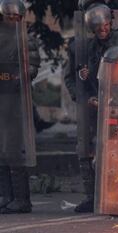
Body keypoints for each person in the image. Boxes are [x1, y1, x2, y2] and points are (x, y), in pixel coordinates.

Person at [71, 3, 118, 213]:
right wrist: (86, 80)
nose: (102, 31)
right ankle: (101, 197)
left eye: (105, 26)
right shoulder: (92, 47)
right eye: (98, 29)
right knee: (98, 152)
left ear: (110, 23)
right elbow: (93, 76)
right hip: (103, 106)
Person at [0, 0, 38, 214]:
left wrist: (19, 75)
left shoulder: (26, 38)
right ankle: (5, 195)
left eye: (16, 17)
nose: (13, 20)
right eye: (9, 17)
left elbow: (31, 66)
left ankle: (22, 199)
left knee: (15, 151)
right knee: (1, 151)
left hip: (15, 102)